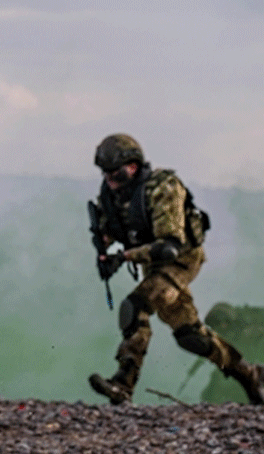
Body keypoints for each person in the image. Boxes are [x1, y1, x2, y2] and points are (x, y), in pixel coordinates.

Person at [87, 134, 263, 405]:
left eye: (116, 173)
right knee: (190, 335)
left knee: (135, 307)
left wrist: (124, 257)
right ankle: (249, 374)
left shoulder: (163, 187)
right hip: (152, 264)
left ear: (133, 166)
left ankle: (123, 383)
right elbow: (110, 226)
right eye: (106, 173)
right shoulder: (113, 193)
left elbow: (169, 246)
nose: (110, 179)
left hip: (181, 260)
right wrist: (104, 248)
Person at [197, 303, 264, 403]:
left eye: (217, 327)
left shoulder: (251, 333)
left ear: (224, 324)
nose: (217, 331)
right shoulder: (237, 334)